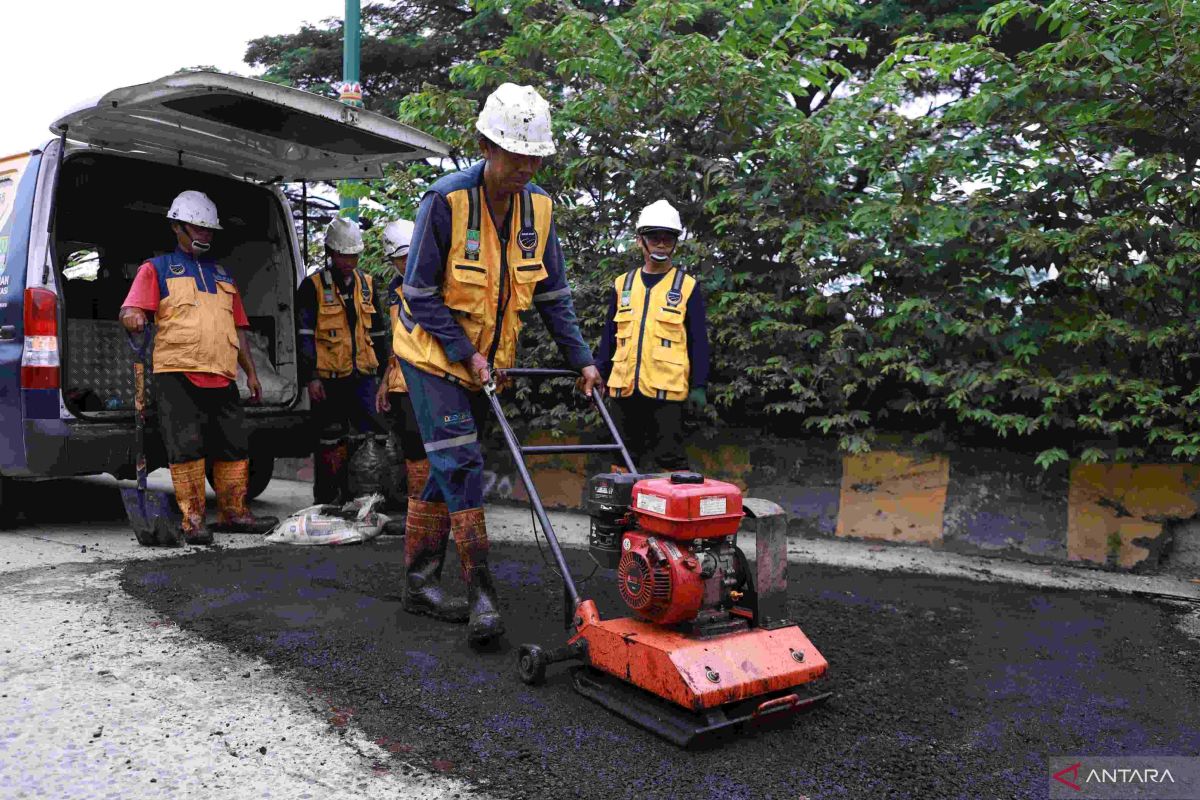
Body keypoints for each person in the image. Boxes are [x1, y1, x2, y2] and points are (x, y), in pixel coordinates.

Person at [394, 83, 603, 646]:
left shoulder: (540, 208)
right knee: (460, 464)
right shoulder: (446, 201)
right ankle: (482, 592)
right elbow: (418, 293)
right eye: (515, 156)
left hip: (490, 364)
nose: (525, 168)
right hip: (432, 356)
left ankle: (419, 583)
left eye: (535, 157)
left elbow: (553, 296)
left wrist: (581, 360)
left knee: (450, 467)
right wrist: (467, 353)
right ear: (486, 146)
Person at [118, 190, 279, 545]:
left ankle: (234, 512)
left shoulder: (223, 274)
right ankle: (193, 519)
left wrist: (250, 373)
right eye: (198, 228)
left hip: (222, 373)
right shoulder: (155, 269)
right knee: (186, 446)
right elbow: (132, 309)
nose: (205, 235)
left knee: (235, 445)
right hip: (176, 372)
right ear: (177, 227)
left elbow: (237, 328)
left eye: (209, 230)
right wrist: (132, 318)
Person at [595, 199, 710, 473]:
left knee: (669, 460)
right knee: (621, 458)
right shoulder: (622, 284)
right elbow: (610, 336)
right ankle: (619, 515)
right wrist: (599, 371)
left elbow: (698, 342)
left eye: (667, 239)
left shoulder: (687, 287)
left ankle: (667, 515)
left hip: (667, 393)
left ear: (675, 244)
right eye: (654, 238)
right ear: (640, 241)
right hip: (623, 390)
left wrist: (699, 386)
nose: (661, 244)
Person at [297, 217, 390, 504]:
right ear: (331, 253)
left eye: (354, 255)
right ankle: (327, 501)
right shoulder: (311, 287)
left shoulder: (369, 285)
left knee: (371, 437)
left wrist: (386, 376)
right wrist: (310, 377)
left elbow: (380, 333)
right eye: (343, 255)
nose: (349, 261)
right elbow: (304, 335)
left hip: (364, 377)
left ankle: (365, 499)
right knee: (329, 440)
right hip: (328, 379)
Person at [374, 219, 427, 537]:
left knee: (431, 447)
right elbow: (398, 341)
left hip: (432, 379)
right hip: (402, 382)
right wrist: (385, 380)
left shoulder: (439, 281)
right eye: (399, 259)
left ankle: (433, 513)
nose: (405, 264)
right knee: (412, 447)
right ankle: (418, 512)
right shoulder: (394, 291)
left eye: (409, 256)